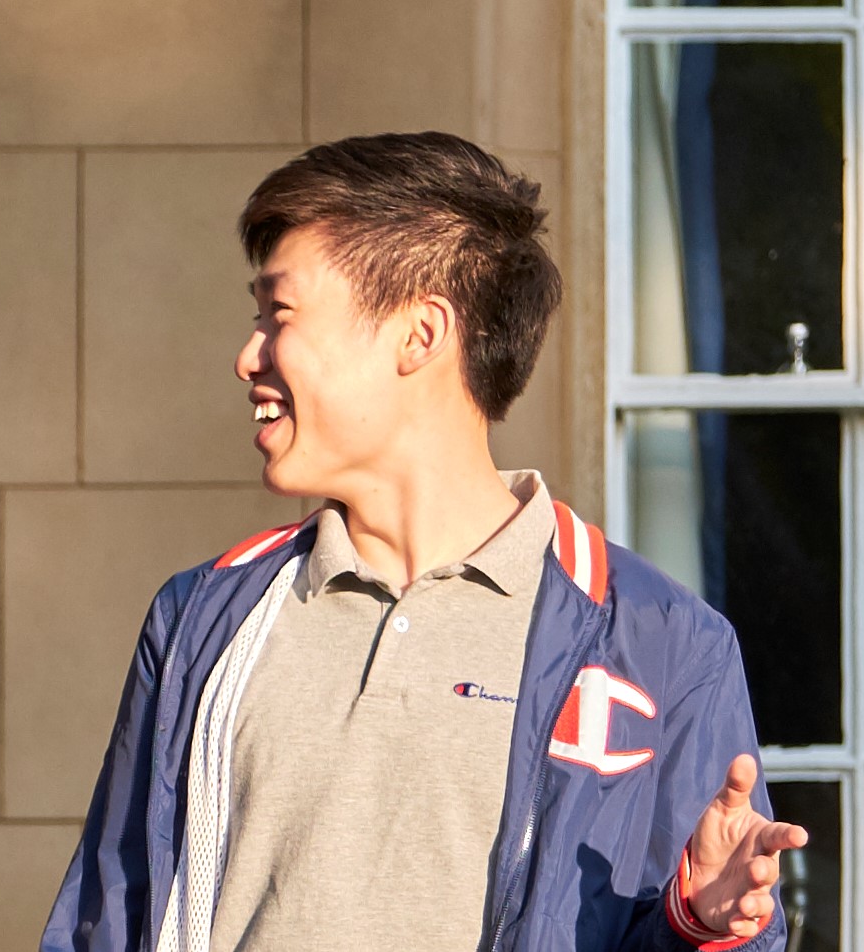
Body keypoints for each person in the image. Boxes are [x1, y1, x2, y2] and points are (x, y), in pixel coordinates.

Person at [45, 133, 812, 952]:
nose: (248, 355)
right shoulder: (201, 621)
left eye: (281, 313)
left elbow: (721, 932)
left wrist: (703, 926)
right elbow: (104, 925)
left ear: (420, 333)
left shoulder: (661, 645)